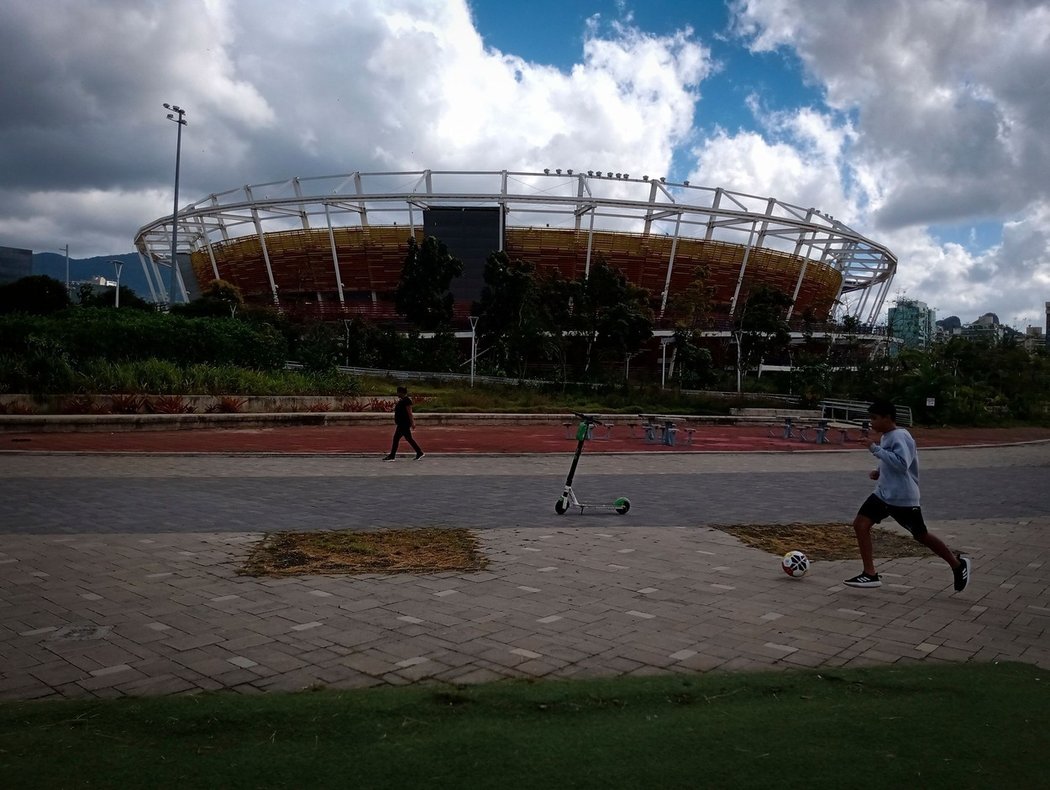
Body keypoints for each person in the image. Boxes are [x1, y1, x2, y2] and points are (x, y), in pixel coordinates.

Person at [844, 399, 970, 592]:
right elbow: (891, 458)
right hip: (883, 495)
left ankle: (957, 564)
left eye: (874, 418)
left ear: (887, 418)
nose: (872, 423)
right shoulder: (887, 436)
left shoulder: (901, 436)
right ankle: (870, 574)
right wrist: (879, 470)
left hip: (902, 499)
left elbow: (903, 463)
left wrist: (874, 449)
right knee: (860, 524)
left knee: (922, 535)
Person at [383, 385, 424, 461]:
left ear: (401, 392)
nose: (397, 394)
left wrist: (412, 423)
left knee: (397, 439)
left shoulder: (407, 401)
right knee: (408, 439)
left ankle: (392, 456)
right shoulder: (402, 400)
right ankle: (419, 452)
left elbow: (410, 413)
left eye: (398, 392)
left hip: (404, 424)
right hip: (401, 423)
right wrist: (391, 409)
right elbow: (399, 410)